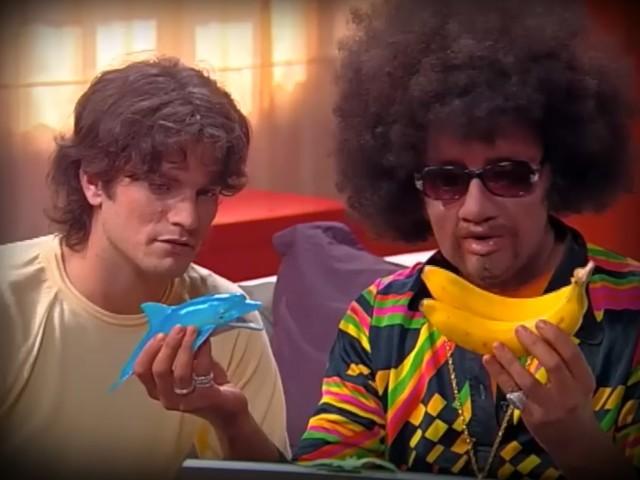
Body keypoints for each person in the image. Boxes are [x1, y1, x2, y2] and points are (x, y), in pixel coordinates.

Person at [133, 1, 639, 479]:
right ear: (409, 183)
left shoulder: (631, 316)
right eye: (446, 180)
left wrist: (583, 449)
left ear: (556, 173)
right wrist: (232, 419)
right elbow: (326, 475)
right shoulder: (379, 319)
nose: (476, 208)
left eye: (508, 176)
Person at [0, 56, 289, 480]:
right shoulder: (12, 302)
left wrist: (231, 420)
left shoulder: (228, 318)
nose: (188, 218)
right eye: (161, 186)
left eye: (206, 193)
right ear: (93, 181)